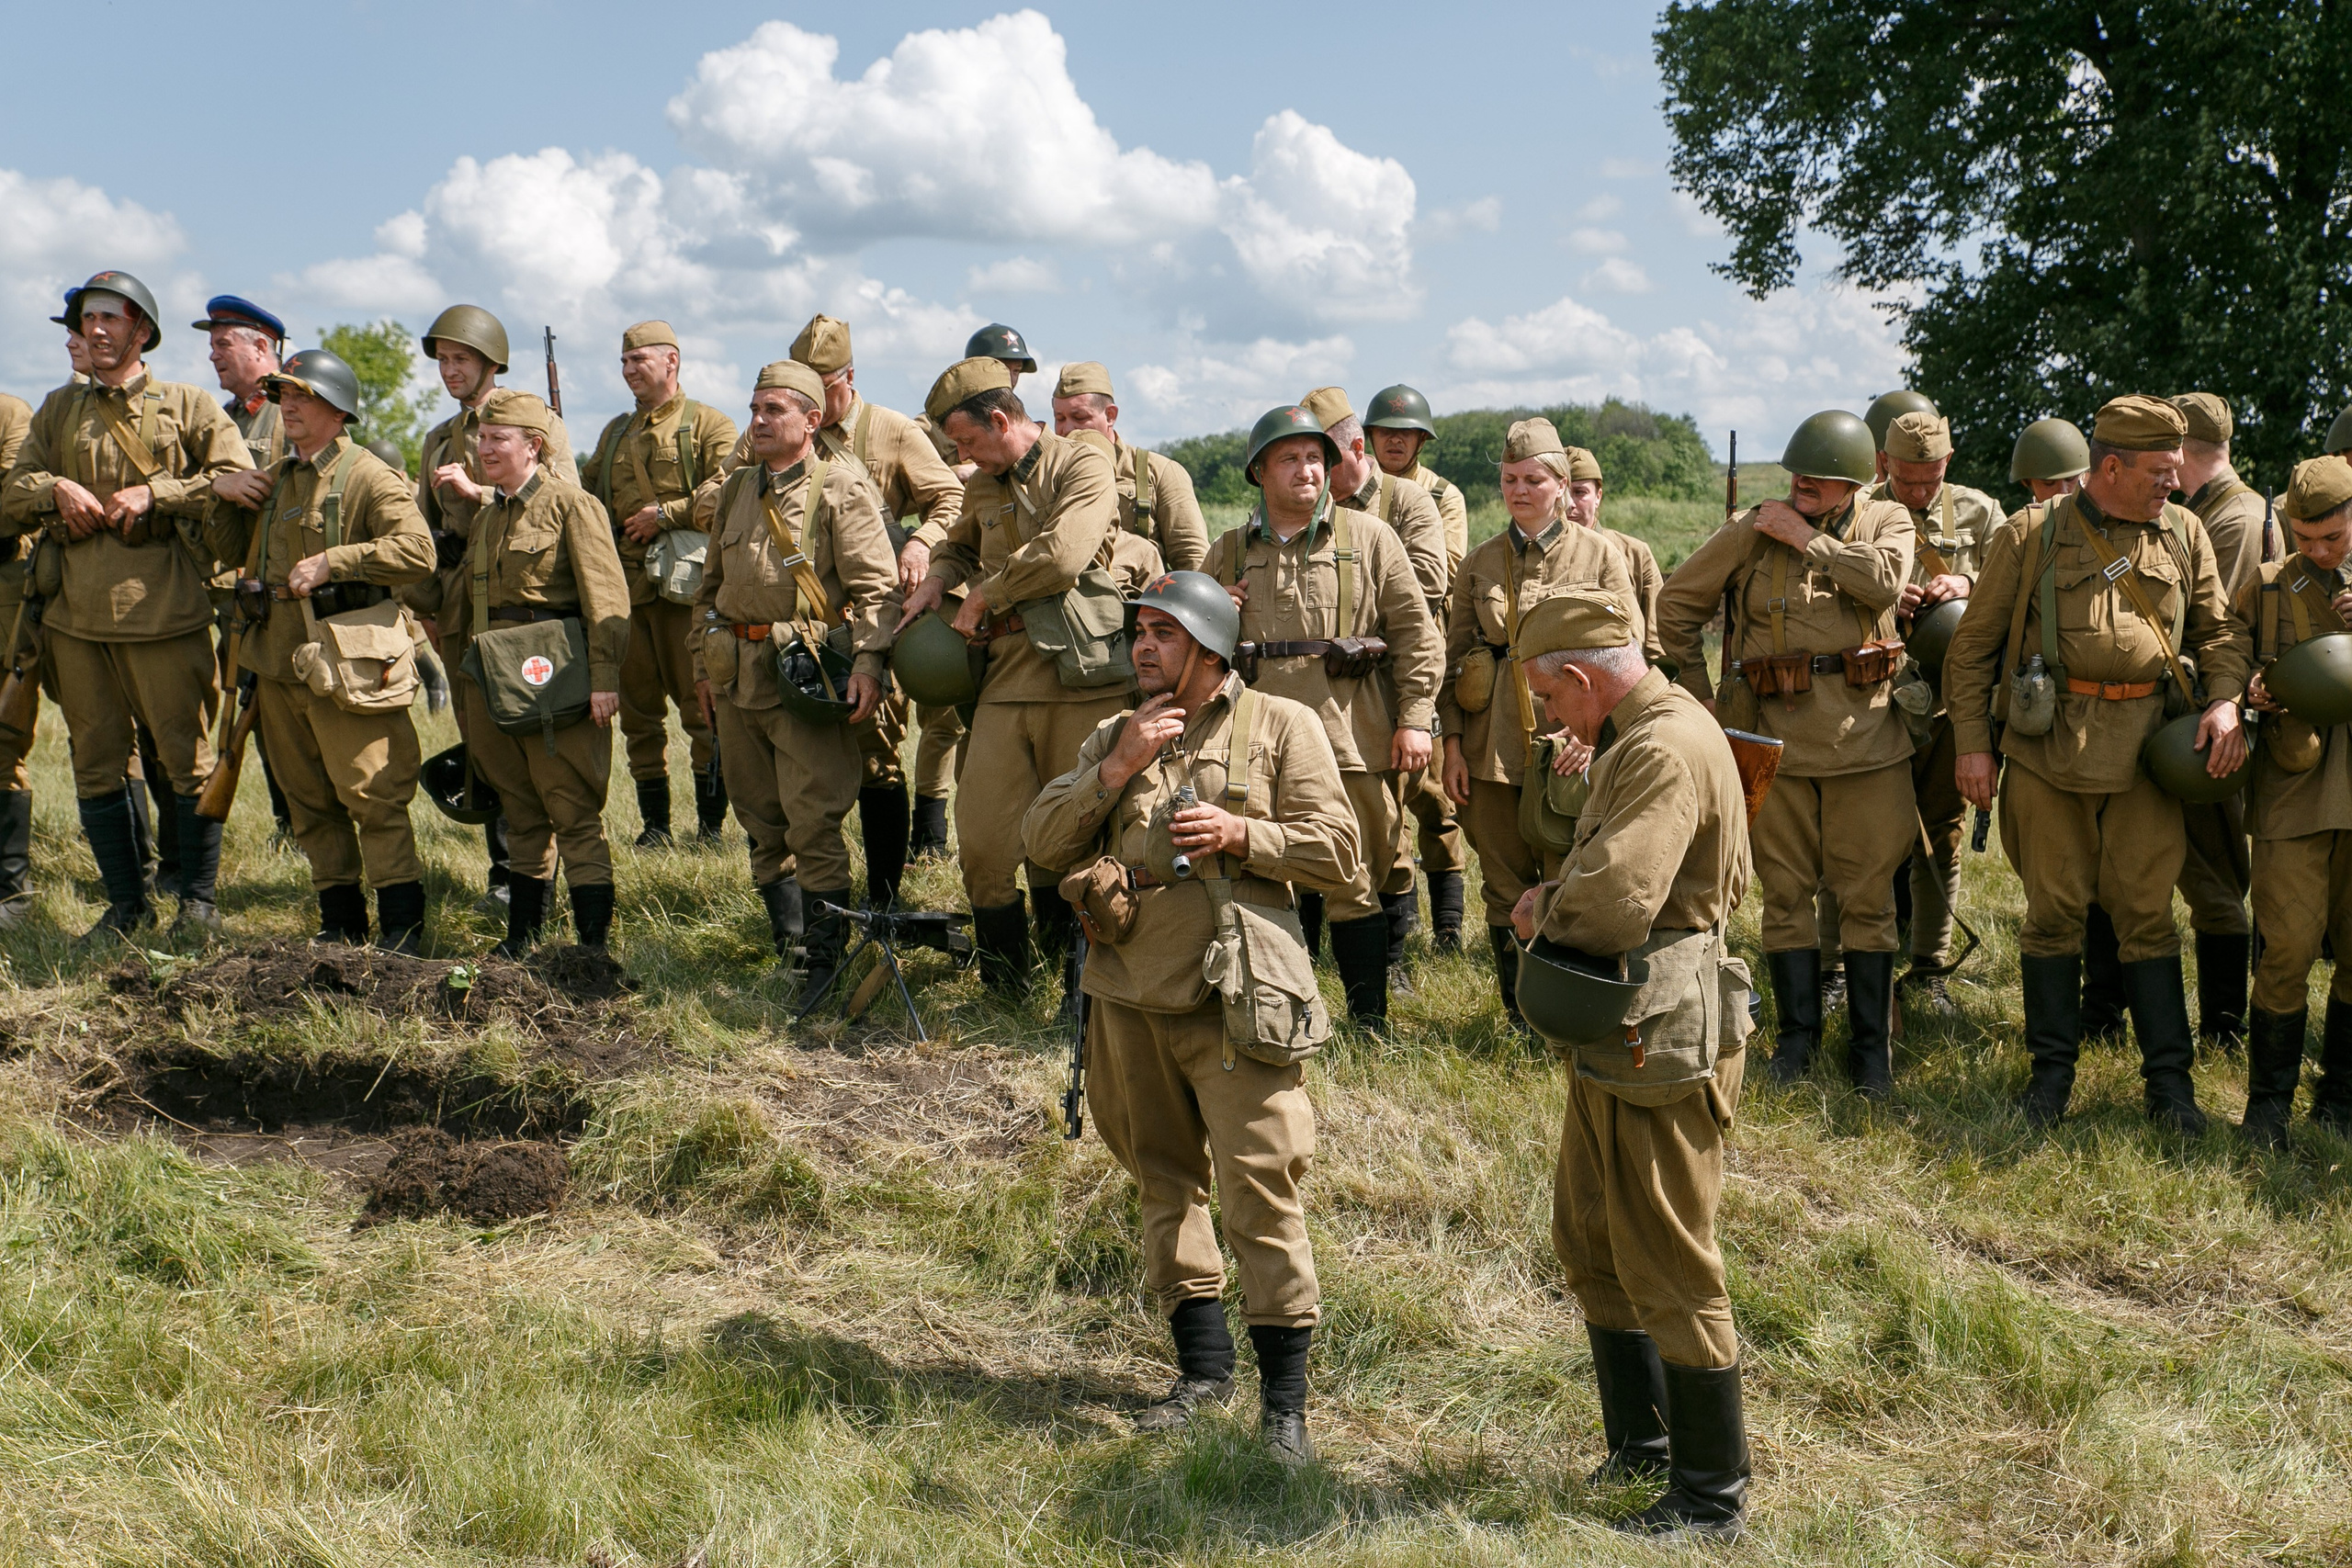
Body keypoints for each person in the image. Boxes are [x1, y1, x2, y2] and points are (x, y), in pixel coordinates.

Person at [1023, 570, 1361, 1467]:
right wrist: (1115, 769)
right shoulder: (1116, 733)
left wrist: (1245, 836)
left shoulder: (1281, 726)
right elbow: (1042, 842)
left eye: (1162, 633)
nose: (1142, 646)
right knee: (1164, 1184)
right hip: (1128, 995)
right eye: (1137, 631)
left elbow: (1343, 853)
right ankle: (1202, 1374)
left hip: (1237, 997)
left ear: (1209, 648)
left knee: (1260, 1189)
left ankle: (1284, 1411)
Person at [1507, 588, 1754, 1541]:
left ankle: (1711, 1495)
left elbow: (1615, 899)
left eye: (1550, 699)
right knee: (1592, 1235)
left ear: (1581, 676)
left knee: (1668, 1255)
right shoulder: (1649, 731)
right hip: (1626, 1022)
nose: (1552, 720)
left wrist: (1542, 908)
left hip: (1659, 1028)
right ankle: (1644, 1449)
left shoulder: (1659, 747)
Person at [1945, 396, 2250, 1132]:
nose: (2173, 482)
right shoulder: (2032, 533)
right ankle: (2050, 1080)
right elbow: (1973, 646)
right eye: (2159, 471)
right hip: (2049, 752)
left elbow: (2219, 633)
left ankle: (2170, 1088)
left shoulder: (2185, 533)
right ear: (2110, 467)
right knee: (2052, 916)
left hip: (2148, 755)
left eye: (2176, 470)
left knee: (2148, 916)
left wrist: (2225, 700)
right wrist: (1972, 743)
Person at [1657, 411, 1916, 1098]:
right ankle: (1797, 1040)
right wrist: (1699, 696)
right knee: (1785, 895)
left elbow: (1885, 581)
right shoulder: (1753, 529)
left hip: (1867, 744)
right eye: (1798, 472)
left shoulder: (1887, 520)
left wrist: (1807, 540)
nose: (1803, 483)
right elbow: (1675, 605)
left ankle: (1871, 1053)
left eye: (1820, 477)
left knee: (1868, 899)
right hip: (1776, 744)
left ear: (1854, 483)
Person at [0, 271, 252, 943]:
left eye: (111, 318)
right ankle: (126, 907)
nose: (96, 329)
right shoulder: (58, 408)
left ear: (142, 330)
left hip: (164, 611)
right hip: (74, 619)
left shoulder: (189, 404)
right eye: (88, 318)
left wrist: (156, 494)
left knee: (185, 759)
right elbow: (13, 492)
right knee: (95, 762)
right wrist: (55, 489)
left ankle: (197, 903)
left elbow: (239, 481)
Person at [1209, 405, 1442, 1029]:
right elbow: (1190, 646)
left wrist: (1415, 718)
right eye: (1289, 458)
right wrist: (1214, 611)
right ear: (1259, 472)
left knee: (1355, 877)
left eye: (1316, 457)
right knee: (1263, 874)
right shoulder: (1228, 551)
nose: (1307, 470)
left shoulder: (1370, 538)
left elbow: (1417, 636)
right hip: (1256, 744)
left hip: (1349, 739)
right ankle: (1280, 1015)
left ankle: (1368, 1024)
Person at [900, 356, 1124, 994]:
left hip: (1083, 679)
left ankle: (1082, 987)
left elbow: (1064, 554)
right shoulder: (982, 485)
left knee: (1079, 838)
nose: (962, 456)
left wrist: (984, 595)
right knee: (982, 841)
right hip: (1004, 681)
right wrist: (939, 576)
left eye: (967, 440)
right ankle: (1005, 988)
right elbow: (958, 543)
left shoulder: (1082, 464)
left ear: (1000, 420)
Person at [203, 349, 436, 950]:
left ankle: (403, 930)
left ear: (337, 409)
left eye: (301, 395)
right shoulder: (277, 477)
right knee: (307, 802)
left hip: (347, 665)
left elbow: (418, 552)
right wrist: (222, 494)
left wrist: (337, 560)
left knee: (373, 796)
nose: (288, 405)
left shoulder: (368, 476)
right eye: (283, 394)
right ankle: (341, 923)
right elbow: (230, 553)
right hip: (278, 661)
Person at [694, 360, 899, 990]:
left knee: (812, 821)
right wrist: (703, 668)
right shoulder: (736, 489)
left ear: (812, 420)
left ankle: (825, 962)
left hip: (804, 679)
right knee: (760, 820)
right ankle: (790, 946)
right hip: (737, 679)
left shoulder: (840, 489)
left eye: (773, 410)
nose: (757, 421)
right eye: (754, 409)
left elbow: (877, 591)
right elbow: (708, 590)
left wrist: (868, 665)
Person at [1440, 419, 1640, 1022]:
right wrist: (1453, 747)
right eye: (1509, 479)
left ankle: (1569, 1014)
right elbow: (1453, 662)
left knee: (1569, 879)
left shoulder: (1600, 555)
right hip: (1492, 748)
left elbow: (1630, 653)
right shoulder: (1480, 562)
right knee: (1503, 884)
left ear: (1561, 484)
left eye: (1533, 479)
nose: (1519, 490)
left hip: (1574, 747)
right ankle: (1521, 1017)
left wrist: (1595, 737)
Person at [405, 305, 578, 914]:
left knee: (532, 734)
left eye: (462, 359)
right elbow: (424, 532)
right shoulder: (437, 439)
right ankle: (505, 877)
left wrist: (478, 492)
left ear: (491, 363)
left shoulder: (536, 422)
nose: (450, 370)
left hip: (520, 602)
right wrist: (430, 612)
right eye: (443, 360)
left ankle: (543, 877)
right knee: (482, 741)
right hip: (460, 602)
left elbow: (564, 504)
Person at [447, 389, 628, 956]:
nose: (485, 449)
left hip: (557, 682)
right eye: (481, 438)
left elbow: (606, 597)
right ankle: (522, 939)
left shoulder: (572, 505)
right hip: (496, 683)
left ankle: (592, 949)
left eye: (498, 439)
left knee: (573, 812)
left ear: (534, 446)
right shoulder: (486, 518)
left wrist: (604, 678)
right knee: (521, 813)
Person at [790, 312, 965, 899]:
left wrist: (921, 542)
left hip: (870, 613)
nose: (811, 403)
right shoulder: (780, 427)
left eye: (822, 388)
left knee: (877, 753)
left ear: (849, 376)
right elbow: (727, 490)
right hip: (799, 622)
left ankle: (884, 898)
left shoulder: (891, 431)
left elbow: (950, 498)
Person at [1301, 387, 1452, 983]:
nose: (1314, 470)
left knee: (1389, 824)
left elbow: (1428, 586)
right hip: (1325, 691)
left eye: (1325, 457)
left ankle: (1391, 964)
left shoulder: (1408, 502)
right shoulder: (1305, 509)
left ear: (1355, 449)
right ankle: (1312, 957)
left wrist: (1351, 598)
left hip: (1391, 683)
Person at [582, 321, 740, 849]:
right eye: (624, 362)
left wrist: (666, 515)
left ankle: (711, 829)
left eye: (639, 360)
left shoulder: (709, 426)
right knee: (639, 716)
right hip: (626, 592)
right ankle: (655, 827)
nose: (629, 370)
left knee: (701, 707)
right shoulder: (614, 433)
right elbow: (587, 500)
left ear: (671, 361)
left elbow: (729, 494)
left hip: (685, 593)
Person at [2233, 456, 2352, 1145]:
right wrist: (2249, 687)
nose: (2318, 551)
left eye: (2332, 537)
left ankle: (2341, 1101)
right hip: (2294, 792)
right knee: (2286, 948)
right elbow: (2224, 650)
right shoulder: (2268, 585)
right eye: (2304, 538)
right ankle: (2268, 1108)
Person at [1873, 410, 2002, 1014]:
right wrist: (1883, 593)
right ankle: (1848, 968)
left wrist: (1969, 584)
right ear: (1884, 463)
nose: (1919, 492)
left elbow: (2014, 585)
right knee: (1860, 833)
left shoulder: (1980, 512)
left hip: (1951, 701)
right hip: (1874, 700)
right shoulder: (1858, 512)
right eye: (1906, 479)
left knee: (1943, 829)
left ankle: (1930, 966)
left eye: (1930, 480)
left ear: (1948, 463)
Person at [900, 323, 1039, 852]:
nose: (1010, 376)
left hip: (1007, 595)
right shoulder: (928, 430)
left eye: (1016, 370)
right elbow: (941, 515)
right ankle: (930, 834)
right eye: (1001, 367)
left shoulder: (1033, 442)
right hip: (959, 594)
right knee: (943, 717)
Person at [1362, 383, 1472, 957]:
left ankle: (1448, 924)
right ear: (1368, 437)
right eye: (1386, 432)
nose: (1396, 441)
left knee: (1434, 799)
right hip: (1366, 666)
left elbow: (1442, 571)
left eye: (1407, 433)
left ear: (1422, 440)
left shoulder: (1441, 495)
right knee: (1385, 801)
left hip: (1423, 651)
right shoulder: (1349, 492)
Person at [2169, 392, 2267, 1048]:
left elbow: (2217, 633)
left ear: (2181, 451)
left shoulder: (2231, 520)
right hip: (2204, 718)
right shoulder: (2220, 510)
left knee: (2215, 877)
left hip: (2211, 722)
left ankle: (2223, 1030)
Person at [1050, 362, 1208, 572]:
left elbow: (1194, 564)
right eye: (1059, 418)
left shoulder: (1160, 472)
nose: (1067, 429)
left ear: (1110, 416)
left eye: (1080, 417)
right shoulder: (1047, 473)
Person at [0, 389, 35, 925]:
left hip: (5, 587)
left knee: (3, 739)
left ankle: (10, 891)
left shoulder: (9, 412)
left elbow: (14, 499)